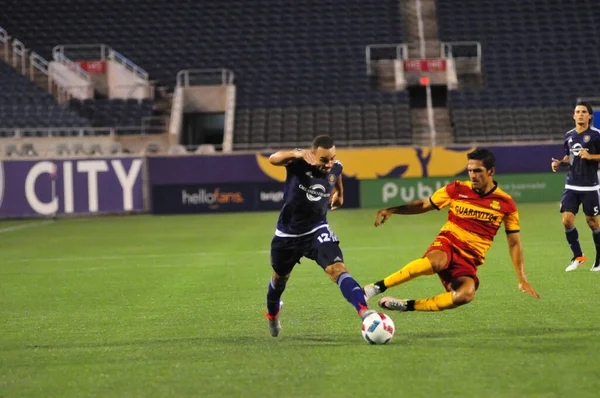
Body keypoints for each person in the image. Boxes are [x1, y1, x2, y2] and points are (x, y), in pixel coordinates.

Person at [363, 148, 540, 312]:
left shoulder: (506, 203)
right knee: (434, 262)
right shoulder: (457, 189)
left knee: (466, 295)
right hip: (448, 242)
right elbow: (426, 204)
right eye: (470, 170)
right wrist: (393, 209)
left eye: (477, 170)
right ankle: (376, 287)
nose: (473, 175)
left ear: (491, 171)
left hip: (470, 258)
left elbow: (514, 243)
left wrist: (522, 278)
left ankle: (407, 305)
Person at [264, 135, 375, 337]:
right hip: (287, 235)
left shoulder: (335, 166)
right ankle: (272, 315)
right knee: (279, 279)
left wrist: (340, 193)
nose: (329, 164)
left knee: (337, 269)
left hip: (317, 230)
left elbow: (337, 174)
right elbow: (273, 158)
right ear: (314, 155)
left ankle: (364, 311)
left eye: (332, 158)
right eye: (324, 160)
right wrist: (296, 153)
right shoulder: (298, 162)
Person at [551, 101, 600, 271]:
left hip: (590, 186)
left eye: (583, 112)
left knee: (592, 222)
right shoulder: (569, 135)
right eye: (577, 111)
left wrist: (591, 156)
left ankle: (599, 260)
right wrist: (559, 163)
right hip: (571, 185)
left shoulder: (596, 135)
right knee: (567, 220)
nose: (580, 114)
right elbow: (569, 158)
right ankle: (578, 257)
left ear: (589, 116)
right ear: (573, 115)